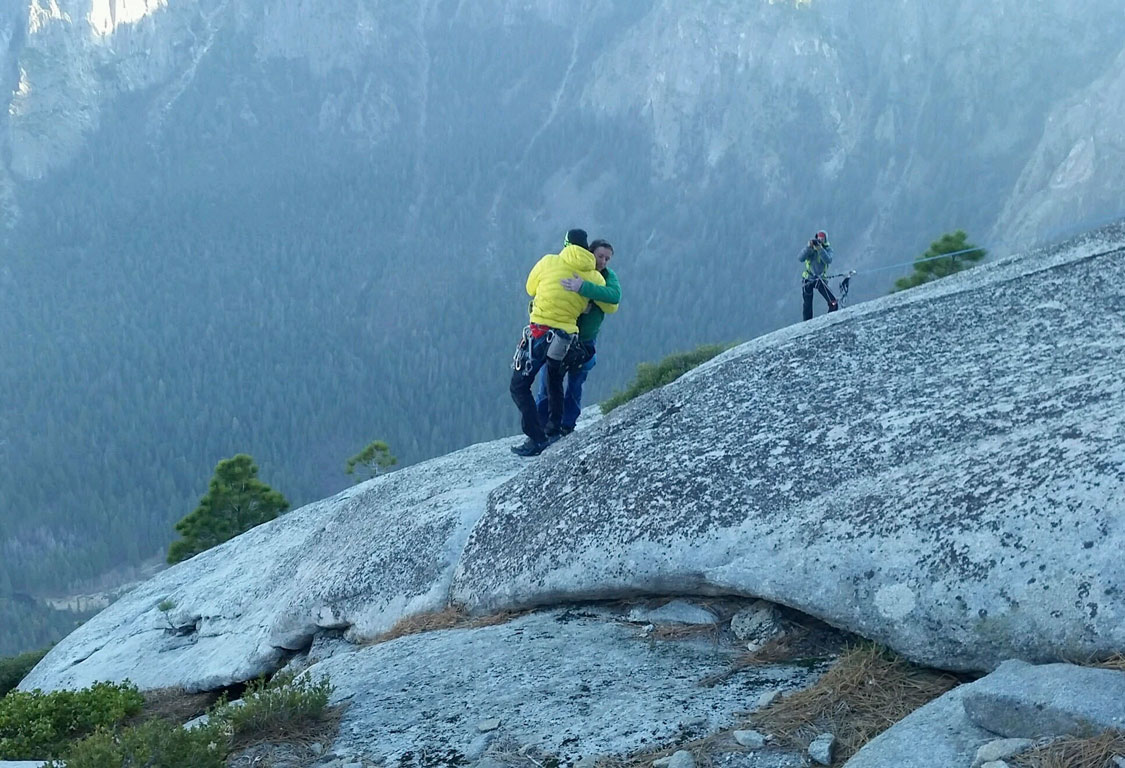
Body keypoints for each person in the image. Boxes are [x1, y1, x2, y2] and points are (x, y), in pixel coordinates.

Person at [510, 229, 613, 457]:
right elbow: (611, 305)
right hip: (566, 338)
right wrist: (585, 296)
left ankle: (536, 437)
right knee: (554, 379)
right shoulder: (594, 276)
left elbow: (530, 289)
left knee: (519, 386)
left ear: (566, 244)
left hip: (540, 333)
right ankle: (554, 430)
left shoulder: (549, 261)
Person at [534, 239, 619, 435]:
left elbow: (614, 299)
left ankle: (567, 425)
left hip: (584, 339)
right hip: (562, 334)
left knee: (575, 383)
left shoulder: (607, 276)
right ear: (590, 253)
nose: (604, 262)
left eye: (607, 258)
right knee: (548, 382)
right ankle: (542, 425)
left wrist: (583, 289)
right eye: (600, 256)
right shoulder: (572, 269)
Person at [800, 230, 839, 321]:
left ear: (825, 240)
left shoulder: (828, 249)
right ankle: (807, 324)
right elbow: (801, 258)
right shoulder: (810, 249)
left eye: (822, 239)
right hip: (808, 278)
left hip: (820, 279)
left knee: (833, 302)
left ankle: (829, 320)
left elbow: (828, 260)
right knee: (807, 304)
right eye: (819, 238)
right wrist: (809, 248)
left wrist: (820, 249)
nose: (820, 240)